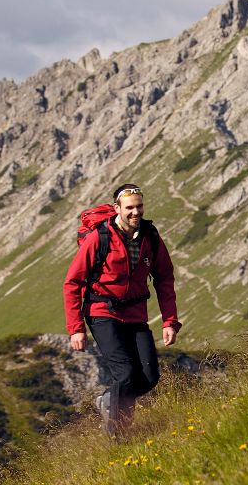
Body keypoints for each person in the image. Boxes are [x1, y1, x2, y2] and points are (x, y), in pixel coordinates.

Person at [64, 183, 180, 435]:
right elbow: (73, 282)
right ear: (117, 208)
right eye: (129, 208)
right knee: (126, 375)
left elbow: (164, 278)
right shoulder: (100, 237)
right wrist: (76, 328)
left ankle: (107, 401)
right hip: (103, 313)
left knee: (149, 378)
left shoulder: (150, 236)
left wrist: (169, 321)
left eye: (139, 206)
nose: (135, 212)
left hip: (136, 315)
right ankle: (118, 437)